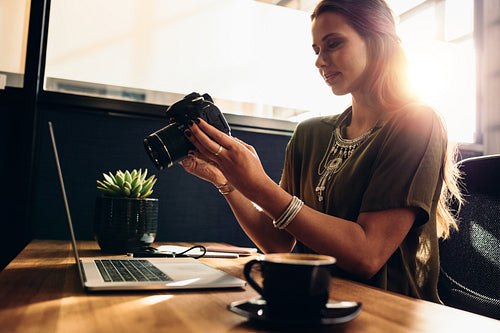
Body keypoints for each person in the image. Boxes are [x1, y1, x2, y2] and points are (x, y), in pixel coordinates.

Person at [180, 0, 462, 303]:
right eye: (316, 50)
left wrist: (259, 186)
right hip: (315, 301)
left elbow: (367, 255)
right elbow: (277, 242)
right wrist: (228, 181)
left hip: (388, 310)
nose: (320, 61)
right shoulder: (309, 134)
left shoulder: (415, 123)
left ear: (378, 42)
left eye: (334, 44)